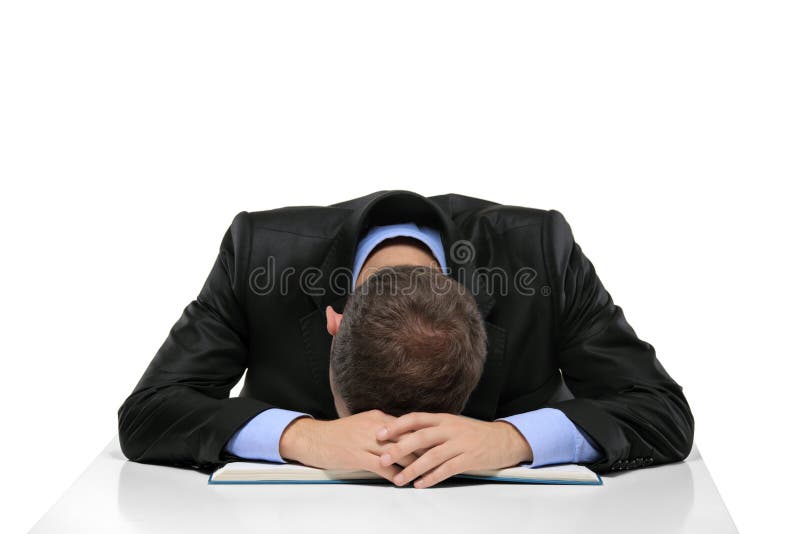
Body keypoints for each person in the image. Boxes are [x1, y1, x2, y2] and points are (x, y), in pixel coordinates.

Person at [118, 190, 694, 489]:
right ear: (334, 323)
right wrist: (303, 437)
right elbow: (147, 412)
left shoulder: (541, 252)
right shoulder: (257, 253)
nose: (399, 455)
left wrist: (510, 440)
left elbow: (663, 413)